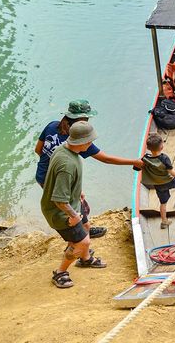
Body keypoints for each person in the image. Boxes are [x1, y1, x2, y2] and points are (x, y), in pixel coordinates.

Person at [35, 100, 143, 238]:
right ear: (80, 119)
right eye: (87, 118)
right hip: (59, 179)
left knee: (75, 205)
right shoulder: (78, 140)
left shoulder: (51, 126)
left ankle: (83, 228)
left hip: (42, 175)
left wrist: (52, 165)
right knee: (74, 207)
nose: (88, 121)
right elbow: (106, 159)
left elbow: (38, 150)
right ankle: (77, 236)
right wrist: (134, 161)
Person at [41, 121, 107, 288]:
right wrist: (72, 216)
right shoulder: (67, 164)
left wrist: (77, 191)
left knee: (86, 225)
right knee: (83, 242)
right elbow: (59, 200)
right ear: (81, 142)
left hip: (72, 201)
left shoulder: (63, 149)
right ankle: (60, 273)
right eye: (90, 141)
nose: (91, 144)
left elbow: (59, 180)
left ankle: (85, 259)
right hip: (61, 211)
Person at [140, 133, 175, 229]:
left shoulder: (145, 159)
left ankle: (164, 222)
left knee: (163, 203)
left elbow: (137, 168)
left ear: (148, 148)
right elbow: (171, 171)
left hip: (158, 185)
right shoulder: (164, 158)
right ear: (161, 147)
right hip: (169, 181)